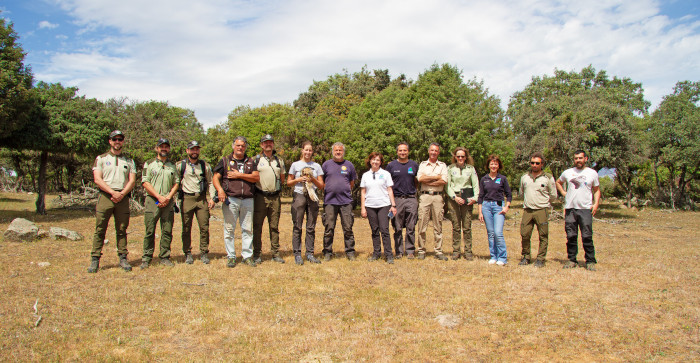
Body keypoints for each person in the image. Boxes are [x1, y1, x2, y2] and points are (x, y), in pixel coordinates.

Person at [88, 130, 137, 273]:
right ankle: (95, 259)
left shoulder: (129, 161)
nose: (117, 142)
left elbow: (132, 180)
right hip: (106, 196)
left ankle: (123, 257)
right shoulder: (101, 158)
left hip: (122, 197)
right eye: (114, 139)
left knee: (122, 229)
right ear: (110, 141)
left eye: (120, 139)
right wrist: (112, 192)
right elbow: (97, 179)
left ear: (123, 141)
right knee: (100, 228)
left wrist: (121, 193)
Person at [213, 136, 260, 268]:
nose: (240, 148)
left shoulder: (250, 161)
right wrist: (220, 191)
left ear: (245, 147)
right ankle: (231, 256)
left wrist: (240, 175)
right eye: (238, 145)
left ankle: (247, 256)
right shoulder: (225, 161)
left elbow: (256, 177)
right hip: (231, 199)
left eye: (243, 146)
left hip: (247, 199)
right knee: (229, 229)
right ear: (233, 146)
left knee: (247, 229)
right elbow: (215, 178)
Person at [556, 150, 600, 271]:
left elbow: (596, 190)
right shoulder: (568, 172)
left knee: (586, 236)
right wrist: (564, 193)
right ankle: (571, 260)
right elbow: (558, 182)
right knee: (571, 235)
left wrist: (595, 204)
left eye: (580, 158)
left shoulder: (592, 173)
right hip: (570, 209)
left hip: (585, 209)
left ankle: (590, 261)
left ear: (586, 159)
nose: (578, 160)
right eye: (576, 158)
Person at [141, 138, 180, 268]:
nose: (164, 149)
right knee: (150, 230)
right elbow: (145, 182)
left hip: (168, 201)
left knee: (167, 230)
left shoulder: (172, 165)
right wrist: (158, 196)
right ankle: (146, 257)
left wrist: (168, 197)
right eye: (161, 146)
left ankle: (164, 256)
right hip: (153, 200)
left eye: (166, 147)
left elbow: (176, 183)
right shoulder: (149, 164)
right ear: (157, 148)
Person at [176, 140, 215, 265]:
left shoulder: (205, 166)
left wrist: (212, 197)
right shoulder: (180, 166)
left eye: (197, 149)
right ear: (187, 151)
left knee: (204, 227)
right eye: (192, 149)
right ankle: (187, 252)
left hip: (201, 199)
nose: (195, 152)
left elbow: (211, 182)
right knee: (186, 227)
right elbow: (175, 182)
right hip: (187, 199)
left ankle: (204, 252)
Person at [287, 141, 325, 265]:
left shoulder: (317, 166)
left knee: (311, 226)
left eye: (310, 150)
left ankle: (309, 253)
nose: (308, 152)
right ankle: (297, 254)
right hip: (299, 195)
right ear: (302, 151)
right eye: (306, 150)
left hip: (312, 196)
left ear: (312, 152)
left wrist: (312, 179)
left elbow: (321, 186)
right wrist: (298, 179)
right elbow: (288, 182)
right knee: (297, 226)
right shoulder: (295, 165)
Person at [518, 152, 557, 268]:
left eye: (537, 163)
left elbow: (553, 195)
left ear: (542, 164)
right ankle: (526, 256)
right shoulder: (524, 177)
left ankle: (540, 259)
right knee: (524, 234)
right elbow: (521, 193)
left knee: (543, 235)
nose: (534, 165)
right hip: (528, 210)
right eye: (532, 163)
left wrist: (545, 203)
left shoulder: (548, 178)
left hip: (541, 210)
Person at [252, 134, 286, 264]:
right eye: (265, 142)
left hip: (275, 197)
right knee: (257, 227)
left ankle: (275, 253)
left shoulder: (279, 161)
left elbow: (282, 178)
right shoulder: (255, 160)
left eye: (270, 142)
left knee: (274, 227)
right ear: (261, 145)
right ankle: (257, 254)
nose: (268, 144)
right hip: (260, 197)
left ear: (273, 144)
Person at [321, 142, 358, 261]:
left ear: (343, 152)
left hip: (345, 201)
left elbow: (351, 183)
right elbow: (321, 181)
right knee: (329, 228)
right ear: (332, 151)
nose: (338, 152)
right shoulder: (326, 165)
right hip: (330, 201)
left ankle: (350, 252)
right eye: (336, 150)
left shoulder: (349, 165)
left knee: (348, 228)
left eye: (340, 151)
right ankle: (327, 252)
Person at [360, 152, 398, 264]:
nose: (375, 162)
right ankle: (376, 253)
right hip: (370, 205)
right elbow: (363, 192)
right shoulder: (365, 175)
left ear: (381, 162)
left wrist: (393, 205)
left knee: (384, 229)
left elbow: (390, 190)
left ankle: (389, 255)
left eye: (377, 160)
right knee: (375, 230)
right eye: (373, 159)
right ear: (370, 161)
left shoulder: (386, 174)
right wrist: (363, 208)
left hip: (384, 205)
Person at [444, 147, 479, 261]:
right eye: (458, 156)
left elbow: (475, 185)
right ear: (455, 157)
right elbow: (447, 186)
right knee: (456, 226)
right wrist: (454, 197)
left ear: (466, 157)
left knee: (467, 226)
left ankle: (468, 251)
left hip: (467, 199)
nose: (460, 158)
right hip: (454, 198)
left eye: (462, 156)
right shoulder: (450, 168)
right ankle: (456, 251)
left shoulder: (471, 169)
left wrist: (475, 198)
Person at [385, 143, 419, 259]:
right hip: (397, 199)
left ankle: (410, 251)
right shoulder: (391, 166)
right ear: (397, 152)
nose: (402, 152)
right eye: (400, 150)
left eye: (404, 150)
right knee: (397, 226)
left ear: (408, 152)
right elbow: (387, 184)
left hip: (411, 198)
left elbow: (416, 181)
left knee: (411, 226)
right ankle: (399, 251)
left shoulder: (414, 165)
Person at [415, 143, 449, 260]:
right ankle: (421, 250)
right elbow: (420, 179)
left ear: (438, 152)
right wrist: (436, 177)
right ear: (428, 151)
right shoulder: (423, 164)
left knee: (438, 225)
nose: (434, 152)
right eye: (432, 150)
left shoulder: (443, 165)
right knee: (422, 224)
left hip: (438, 197)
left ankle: (438, 251)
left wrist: (428, 180)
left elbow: (444, 180)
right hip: (425, 197)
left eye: (436, 151)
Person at [477, 154, 512, 266]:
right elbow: (481, 196)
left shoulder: (502, 179)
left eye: (495, 164)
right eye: (491, 164)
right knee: (491, 233)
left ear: (498, 166)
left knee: (498, 233)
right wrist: (480, 211)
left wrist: (507, 206)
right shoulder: (484, 179)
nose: (493, 166)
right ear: (488, 165)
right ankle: (494, 256)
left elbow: (509, 194)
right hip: (486, 206)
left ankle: (502, 257)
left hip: (498, 207)